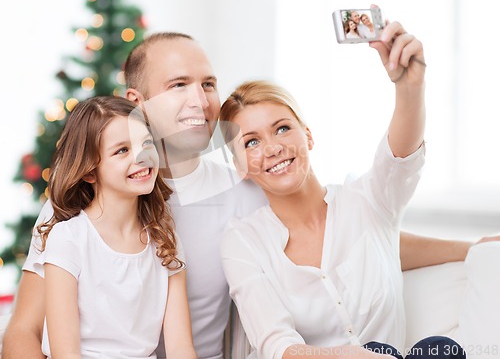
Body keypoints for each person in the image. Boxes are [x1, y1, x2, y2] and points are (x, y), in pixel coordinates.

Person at [2, 32, 484, 359]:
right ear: (137, 102)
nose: (201, 100)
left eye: (208, 83)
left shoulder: (246, 191)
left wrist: (473, 250)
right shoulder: (85, 206)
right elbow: (22, 332)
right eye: (178, 86)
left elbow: (351, 237)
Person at [218, 22, 465, 358]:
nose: (273, 148)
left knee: (440, 351)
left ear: (308, 135)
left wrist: (410, 88)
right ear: (240, 165)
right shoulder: (243, 241)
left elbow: (399, 159)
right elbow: (277, 345)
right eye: (252, 142)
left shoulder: (367, 202)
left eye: (282, 128)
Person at [32, 96, 196, 358]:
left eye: (146, 143)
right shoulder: (69, 239)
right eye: (122, 150)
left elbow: (180, 348)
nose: (141, 156)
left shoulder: (166, 240)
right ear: (89, 172)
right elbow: (67, 354)